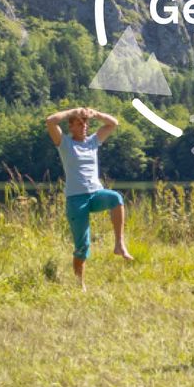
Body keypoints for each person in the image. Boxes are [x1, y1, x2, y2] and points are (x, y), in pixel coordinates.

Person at [46, 106, 133, 290]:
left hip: (95, 194)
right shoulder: (65, 143)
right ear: (71, 127)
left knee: (116, 198)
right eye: (79, 123)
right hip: (76, 199)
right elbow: (50, 121)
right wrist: (73, 112)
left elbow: (113, 123)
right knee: (82, 246)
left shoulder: (93, 142)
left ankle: (119, 244)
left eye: (85, 123)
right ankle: (80, 285)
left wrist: (96, 114)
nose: (84, 126)